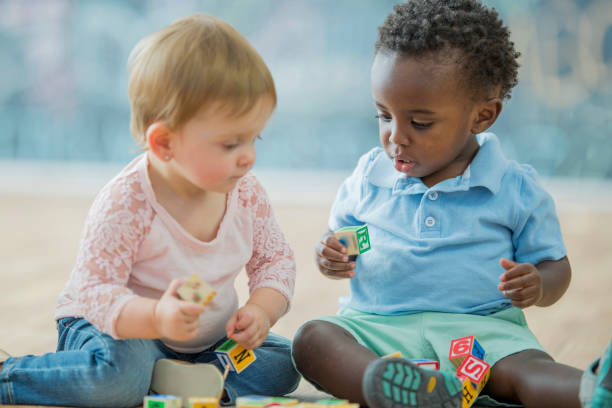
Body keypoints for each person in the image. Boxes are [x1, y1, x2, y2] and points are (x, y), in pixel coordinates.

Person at [291, 1, 612, 408]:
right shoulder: (369, 176)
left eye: (420, 123)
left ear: (482, 116)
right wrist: (330, 255)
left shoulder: (514, 189)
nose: (396, 137)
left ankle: (593, 390)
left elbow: (556, 269)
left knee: (526, 370)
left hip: (482, 332)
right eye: (383, 115)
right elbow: (342, 239)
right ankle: (388, 386)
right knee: (312, 339)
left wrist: (538, 283)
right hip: (377, 330)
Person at [0, 13, 300, 407]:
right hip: (120, 330)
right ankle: (10, 375)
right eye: (231, 145)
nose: (249, 158)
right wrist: (158, 317)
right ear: (164, 144)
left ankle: (170, 381)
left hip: (204, 343)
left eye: (254, 138)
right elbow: (95, 292)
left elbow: (274, 259)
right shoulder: (127, 202)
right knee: (113, 382)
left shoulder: (244, 192)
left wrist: (261, 311)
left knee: (285, 366)